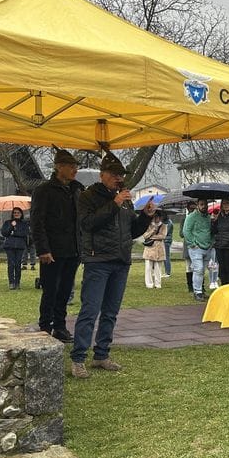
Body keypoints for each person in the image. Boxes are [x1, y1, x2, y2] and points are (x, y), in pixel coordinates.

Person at [70, 151, 154, 379]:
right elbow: (87, 224)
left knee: (111, 312)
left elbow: (132, 230)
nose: (119, 178)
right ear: (102, 175)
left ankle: (101, 354)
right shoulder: (88, 196)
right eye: (115, 174)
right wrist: (114, 204)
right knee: (90, 310)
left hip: (121, 261)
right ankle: (78, 358)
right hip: (98, 261)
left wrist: (145, 217)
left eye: (121, 175)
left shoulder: (124, 199)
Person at [31, 147, 85, 342]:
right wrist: (42, 249)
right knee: (50, 290)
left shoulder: (77, 189)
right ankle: (45, 326)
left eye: (75, 166)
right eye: (71, 166)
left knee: (65, 291)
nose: (74, 170)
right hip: (52, 250)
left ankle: (60, 326)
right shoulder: (44, 190)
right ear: (58, 167)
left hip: (73, 248)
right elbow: (37, 222)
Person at [183, 198, 215, 302]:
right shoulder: (191, 217)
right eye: (201, 204)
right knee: (199, 269)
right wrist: (192, 243)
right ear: (197, 205)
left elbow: (211, 231)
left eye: (205, 204)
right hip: (196, 248)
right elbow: (186, 231)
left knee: (202, 270)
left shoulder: (208, 217)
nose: (204, 206)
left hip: (207, 247)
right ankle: (197, 292)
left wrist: (211, 242)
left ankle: (200, 290)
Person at [0, 206, 30, 290]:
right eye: (15, 213)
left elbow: (25, 233)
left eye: (18, 213)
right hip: (9, 246)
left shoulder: (24, 224)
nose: (16, 214)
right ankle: (11, 282)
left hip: (20, 246)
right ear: (12, 214)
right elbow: (4, 233)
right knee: (11, 264)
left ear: (21, 214)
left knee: (18, 264)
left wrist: (14, 232)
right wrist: (11, 227)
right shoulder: (7, 222)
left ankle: (17, 282)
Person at [141, 211, 167, 289]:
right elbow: (145, 236)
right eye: (154, 216)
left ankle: (158, 284)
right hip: (150, 248)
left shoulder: (163, 226)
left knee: (158, 268)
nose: (156, 218)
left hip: (159, 249)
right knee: (148, 267)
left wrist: (152, 237)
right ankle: (149, 284)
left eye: (157, 216)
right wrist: (153, 231)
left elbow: (162, 236)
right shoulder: (148, 225)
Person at [182, 199, 196, 292]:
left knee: (197, 267)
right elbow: (181, 233)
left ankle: (198, 286)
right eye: (191, 209)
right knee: (188, 266)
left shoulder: (198, 218)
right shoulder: (185, 219)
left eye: (194, 208)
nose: (192, 210)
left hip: (197, 245)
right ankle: (190, 286)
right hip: (188, 245)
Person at [161, 214, 174, 278]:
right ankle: (166, 271)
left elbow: (165, 232)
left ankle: (168, 272)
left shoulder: (169, 223)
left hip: (166, 241)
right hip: (165, 240)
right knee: (164, 256)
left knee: (166, 256)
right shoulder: (165, 222)